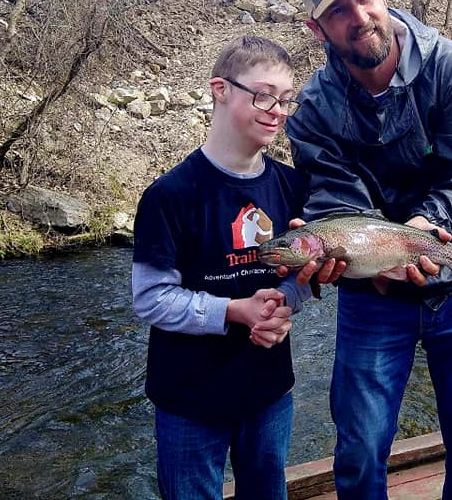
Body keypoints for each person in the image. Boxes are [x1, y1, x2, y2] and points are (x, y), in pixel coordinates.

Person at [285, 0, 452, 500]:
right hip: (373, 291)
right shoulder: (314, 110)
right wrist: (350, 260)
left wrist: (423, 229)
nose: (359, 16)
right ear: (318, 28)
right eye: (339, 10)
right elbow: (335, 200)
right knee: (360, 448)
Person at [131, 36, 319, 500]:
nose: (277, 110)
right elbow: (150, 298)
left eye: (286, 99)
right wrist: (237, 311)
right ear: (220, 89)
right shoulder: (169, 195)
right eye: (263, 95)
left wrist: (283, 305)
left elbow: (304, 274)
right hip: (189, 400)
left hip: (270, 392)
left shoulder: (293, 186)